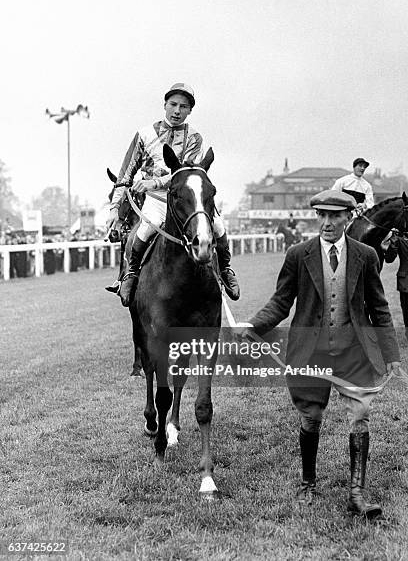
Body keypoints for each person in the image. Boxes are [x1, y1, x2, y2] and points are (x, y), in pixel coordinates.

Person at [241, 190, 401, 517]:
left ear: (349, 217)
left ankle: (357, 493)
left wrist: (391, 353)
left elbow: (379, 308)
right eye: (321, 215)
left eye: (334, 216)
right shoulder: (298, 254)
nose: (327, 223)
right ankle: (308, 482)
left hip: (354, 350)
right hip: (310, 351)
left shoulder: (366, 256)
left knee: (360, 416)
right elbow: (281, 302)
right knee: (311, 418)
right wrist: (254, 326)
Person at [106, 83, 240, 306]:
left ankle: (226, 269)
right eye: (173, 104)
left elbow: (185, 173)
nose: (177, 110)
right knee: (145, 229)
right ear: (165, 105)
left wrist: (151, 183)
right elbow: (125, 175)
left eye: (183, 106)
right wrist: (114, 208)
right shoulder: (144, 134)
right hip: (157, 200)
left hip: (185, 198)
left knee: (218, 226)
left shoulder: (195, 137)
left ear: (190, 110)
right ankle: (130, 275)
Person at [381, 229, 408, 341]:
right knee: (407, 309)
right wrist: (393, 243)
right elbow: (389, 259)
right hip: (406, 281)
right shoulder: (400, 240)